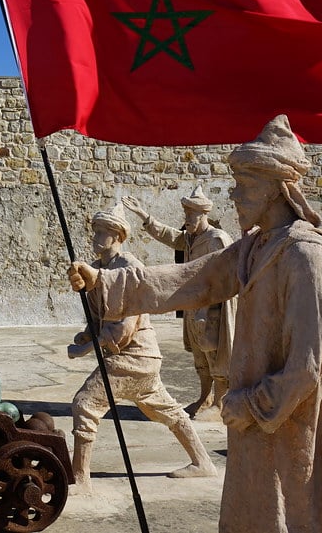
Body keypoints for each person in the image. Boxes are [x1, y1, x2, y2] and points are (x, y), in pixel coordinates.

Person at [68, 115, 322, 533]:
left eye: (243, 184)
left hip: (280, 419)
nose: (233, 194)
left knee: (288, 511)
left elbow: (307, 367)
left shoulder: (305, 256)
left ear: (276, 188)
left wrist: (248, 404)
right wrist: (103, 281)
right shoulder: (254, 246)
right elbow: (194, 279)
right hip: (251, 419)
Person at [69, 202, 216, 496]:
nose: (95, 237)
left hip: (134, 356)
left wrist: (88, 349)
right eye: (95, 231)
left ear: (117, 236)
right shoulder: (97, 268)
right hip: (136, 358)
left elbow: (125, 326)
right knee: (167, 410)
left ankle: (81, 478)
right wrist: (87, 335)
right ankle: (203, 462)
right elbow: (99, 317)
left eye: (102, 232)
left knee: (85, 404)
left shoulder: (131, 267)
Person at [123, 186, 237, 420]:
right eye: (186, 215)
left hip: (212, 308)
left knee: (216, 356)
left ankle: (220, 402)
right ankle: (204, 397)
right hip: (194, 307)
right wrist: (144, 216)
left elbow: (228, 276)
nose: (187, 220)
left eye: (190, 215)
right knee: (200, 358)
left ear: (203, 214)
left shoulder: (217, 239)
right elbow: (170, 236)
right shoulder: (190, 238)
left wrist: (213, 306)